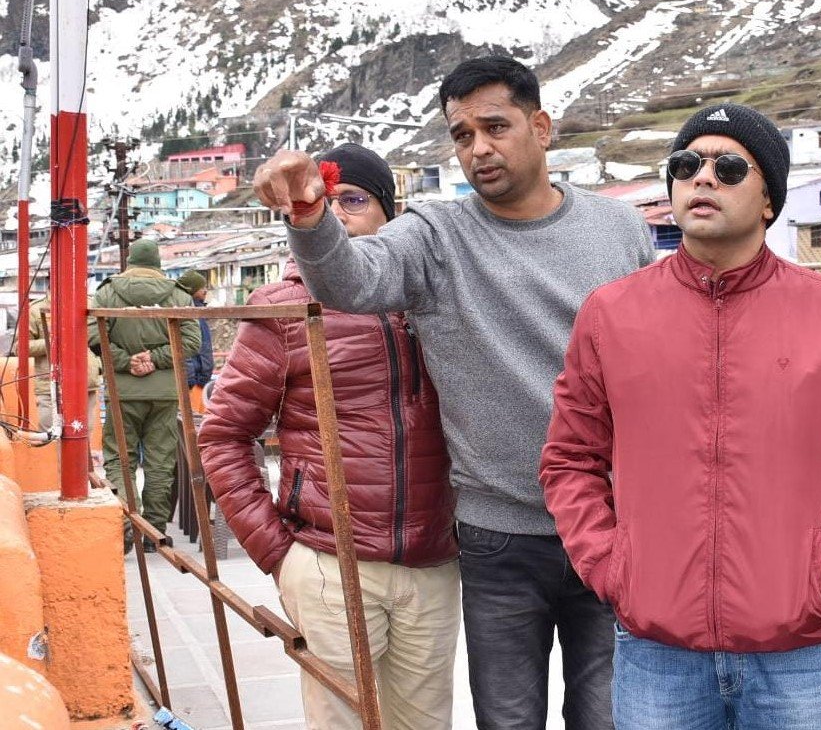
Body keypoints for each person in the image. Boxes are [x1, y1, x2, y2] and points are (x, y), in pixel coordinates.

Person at [250, 56, 654, 729]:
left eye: (495, 127)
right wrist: (310, 214)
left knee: (608, 717)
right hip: (499, 537)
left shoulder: (619, 229)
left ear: (541, 127)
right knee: (507, 721)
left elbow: (656, 363)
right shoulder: (436, 235)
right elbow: (350, 280)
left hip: (613, 525)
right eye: (462, 135)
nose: (479, 148)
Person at [539, 102, 821, 730]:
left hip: (800, 654)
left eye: (729, 167)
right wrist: (611, 566)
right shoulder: (611, 314)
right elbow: (570, 460)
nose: (702, 177)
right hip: (658, 654)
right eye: (686, 164)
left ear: (769, 200)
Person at [200, 144, 459, 730]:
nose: (334, 213)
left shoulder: (430, 302)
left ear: (390, 214)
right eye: (319, 200)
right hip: (329, 564)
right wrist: (278, 552)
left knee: (425, 723)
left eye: (353, 200)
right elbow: (224, 435)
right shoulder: (283, 309)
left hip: (432, 564)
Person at [88, 237, 201, 550]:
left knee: (119, 458)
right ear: (157, 263)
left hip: (121, 392)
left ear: (130, 261)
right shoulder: (178, 295)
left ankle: (127, 522)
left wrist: (127, 361)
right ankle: (154, 533)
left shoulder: (107, 292)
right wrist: (155, 358)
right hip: (164, 393)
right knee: (160, 462)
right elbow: (192, 342)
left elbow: (94, 337)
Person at [28, 294, 103, 456]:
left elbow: (102, 338)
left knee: (81, 436)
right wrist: (54, 340)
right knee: (50, 440)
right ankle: (53, 472)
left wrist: (98, 365)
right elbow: (21, 347)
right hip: (50, 387)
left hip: (85, 384)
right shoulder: (35, 309)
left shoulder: (90, 303)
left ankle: (80, 472)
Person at [175, 270, 212, 414]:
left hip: (198, 380)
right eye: (201, 287)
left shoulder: (198, 311)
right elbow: (188, 347)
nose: (205, 291)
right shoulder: (190, 313)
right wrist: (191, 379)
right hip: (194, 381)